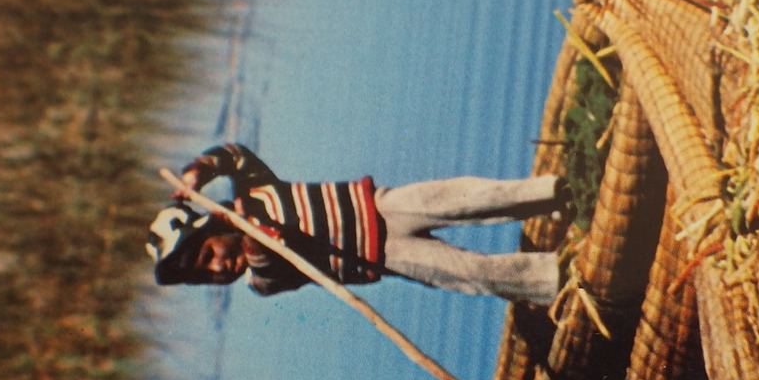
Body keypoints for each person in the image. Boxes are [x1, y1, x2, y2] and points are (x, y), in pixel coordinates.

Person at [147, 143, 563, 304]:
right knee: (475, 274)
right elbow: (269, 267)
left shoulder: (253, 192)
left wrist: (199, 170)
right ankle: (557, 280)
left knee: (471, 199)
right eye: (208, 274)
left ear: (213, 224)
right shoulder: (260, 283)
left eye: (208, 254)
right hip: (386, 255)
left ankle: (556, 192)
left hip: (383, 206)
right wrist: (259, 247)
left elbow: (235, 154)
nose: (219, 267)